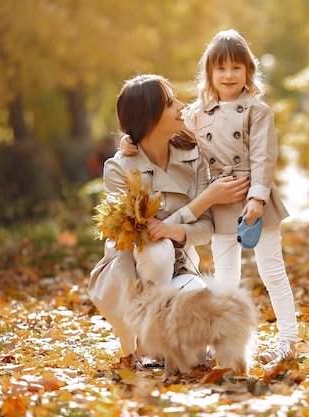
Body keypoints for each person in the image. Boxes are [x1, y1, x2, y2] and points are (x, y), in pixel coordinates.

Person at [121, 29, 298, 364]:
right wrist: (127, 143)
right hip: (220, 205)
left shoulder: (257, 112)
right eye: (220, 68)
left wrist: (257, 198)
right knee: (225, 279)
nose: (228, 75)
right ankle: (231, 345)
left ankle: (287, 340)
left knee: (272, 272)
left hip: (253, 201)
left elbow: (264, 156)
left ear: (248, 71)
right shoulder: (198, 113)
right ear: (209, 74)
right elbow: (161, 127)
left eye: (236, 67)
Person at [89, 73, 249, 362]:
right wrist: (204, 200)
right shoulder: (119, 169)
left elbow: (205, 228)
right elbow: (140, 236)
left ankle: (161, 344)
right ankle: (146, 340)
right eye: (169, 103)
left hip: (181, 268)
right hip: (132, 282)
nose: (180, 107)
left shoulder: (193, 156)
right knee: (157, 249)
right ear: (148, 118)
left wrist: (173, 229)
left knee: (197, 353)